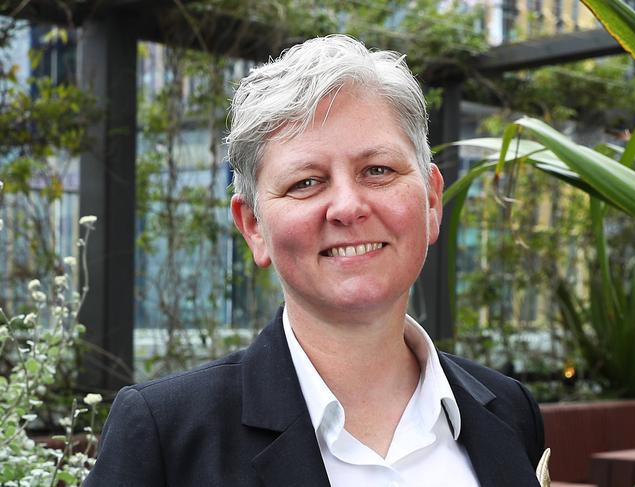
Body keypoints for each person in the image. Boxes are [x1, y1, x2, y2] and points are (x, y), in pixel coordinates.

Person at [84, 35, 545, 487]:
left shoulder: (508, 410)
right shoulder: (168, 436)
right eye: (306, 182)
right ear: (254, 227)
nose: (347, 207)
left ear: (431, 202)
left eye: (378, 171)